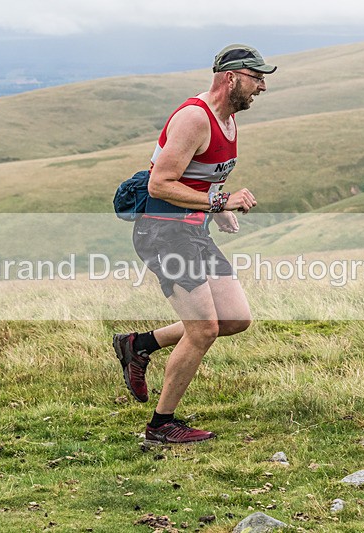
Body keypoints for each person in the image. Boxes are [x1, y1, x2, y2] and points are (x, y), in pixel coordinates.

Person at [112, 44, 277, 444]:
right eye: (257, 79)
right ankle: (160, 426)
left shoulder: (229, 121)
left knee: (235, 319)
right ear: (231, 77)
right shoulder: (193, 118)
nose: (262, 88)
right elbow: (160, 183)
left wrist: (215, 209)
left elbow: (204, 174)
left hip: (192, 231)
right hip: (162, 231)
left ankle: (138, 345)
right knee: (203, 329)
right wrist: (220, 201)